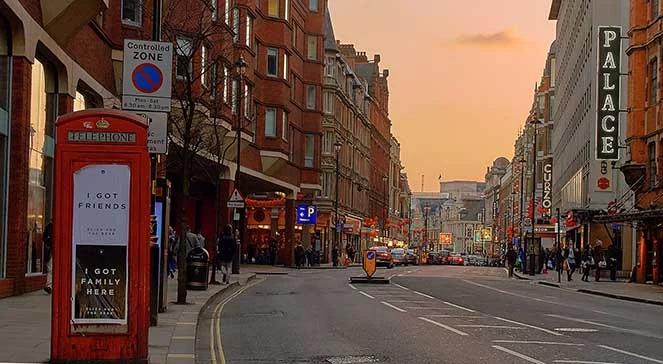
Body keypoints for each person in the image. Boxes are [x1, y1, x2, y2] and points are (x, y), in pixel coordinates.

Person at [43, 222, 53, 294]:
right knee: (50, 269)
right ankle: (49, 286)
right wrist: (49, 241)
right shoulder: (49, 226)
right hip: (52, 251)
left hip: (63, 250)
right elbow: (44, 237)